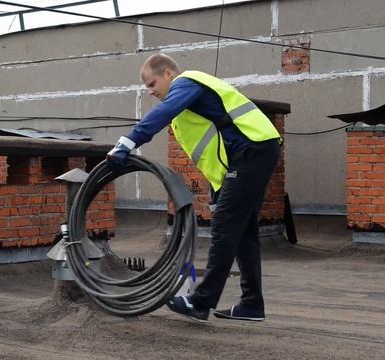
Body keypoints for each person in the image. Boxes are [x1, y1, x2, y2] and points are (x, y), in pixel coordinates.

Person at [107, 54, 281, 323]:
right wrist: (218, 189)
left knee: (225, 225)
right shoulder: (187, 104)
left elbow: (162, 114)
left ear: (168, 74)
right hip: (249, 153)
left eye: (152, 84)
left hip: (253, 149)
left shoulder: (187, 83)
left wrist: (127, 142)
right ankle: (252, 305)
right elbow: (214, 149)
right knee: (244, 232)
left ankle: (201, 302)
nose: (151, 92)